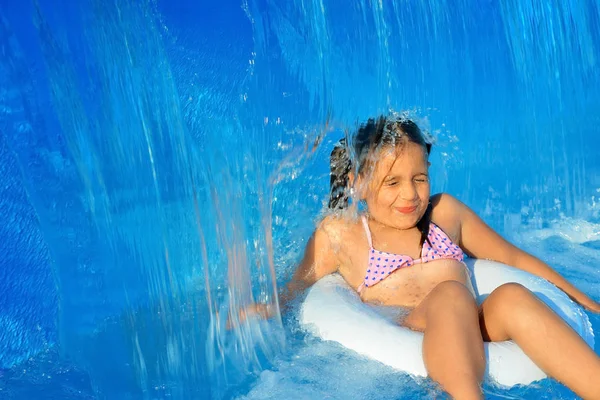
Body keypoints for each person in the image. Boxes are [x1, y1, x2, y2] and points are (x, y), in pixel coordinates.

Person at [265, 115, 600, 400]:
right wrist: (266, 309)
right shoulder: (343, 235)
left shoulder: (444, 214)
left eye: (419, 179)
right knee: (451, 294)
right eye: (392, 182)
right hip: (411, 328)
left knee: (513, 296)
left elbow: (512, 257)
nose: (409, 194)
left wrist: (580, 298)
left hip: (471, 322)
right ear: (358, 184)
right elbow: (298, 288)